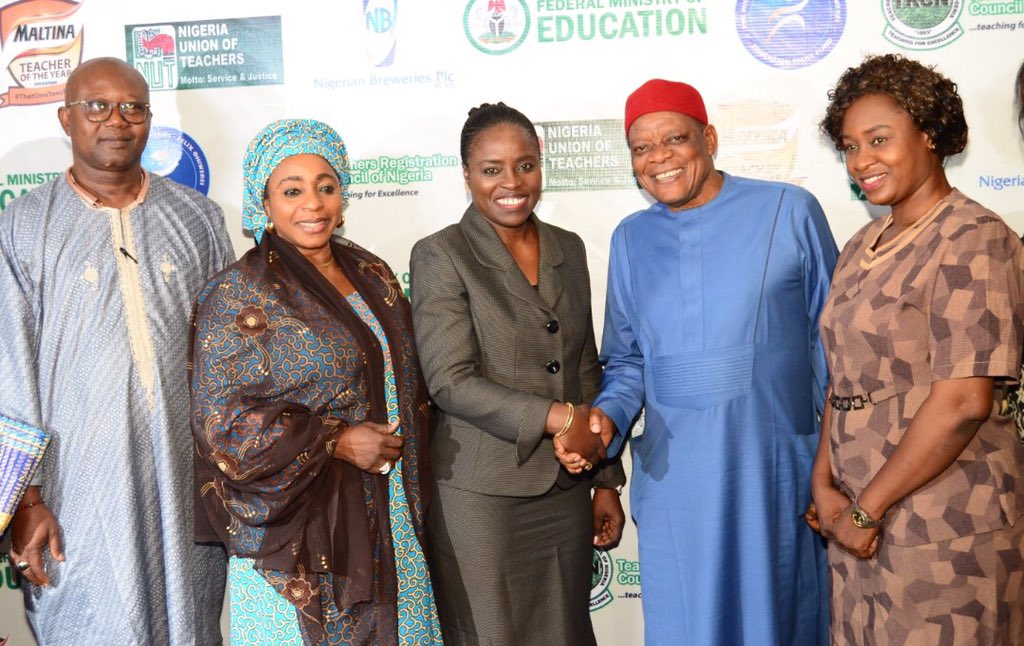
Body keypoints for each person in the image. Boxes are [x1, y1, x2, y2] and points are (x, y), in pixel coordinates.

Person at [588, 79, 837, 645]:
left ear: (710, 138)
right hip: (677, 484)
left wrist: (832, 467)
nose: (659, 158)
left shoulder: (788, 210)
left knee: (780, 620)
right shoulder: (629, 240)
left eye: (674, 138)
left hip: (773, 470)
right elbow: (626, 363)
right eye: (642, 148)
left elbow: (838, 348)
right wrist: (604, 422)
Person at [0, 57, 232, 644]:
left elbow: (231, 358)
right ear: (65, 118)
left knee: (189, 620)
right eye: (97, 106)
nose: (117, 120)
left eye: (133, 107)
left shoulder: (199, 220)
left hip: (185, 479)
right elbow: (9, 364)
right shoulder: (22, 226)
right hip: (72, 485)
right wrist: (25, 497)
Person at [190, 119, 442, 645]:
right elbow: (222, 424)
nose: (313, 203)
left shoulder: (373, 272)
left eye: (326, 187)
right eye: (292, 190)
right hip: (296, 534)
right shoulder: (237, 293)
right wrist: (335, 441)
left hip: (393, 513)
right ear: (263, 201)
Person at [808, 53, 1024, 643]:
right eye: (850, 146)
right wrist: (823, 483)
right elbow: (842, 377)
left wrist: (865, 509)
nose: (862, 161)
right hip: (860, 515)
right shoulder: (861, 243)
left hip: (944, 516)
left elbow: (963, 401)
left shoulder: (974, 238)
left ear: (930, 135)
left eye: (879, 139)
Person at [409, 102, 626, 646]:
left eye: (525, 165)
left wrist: (604, 481)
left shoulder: (568, 248)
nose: (512, 182)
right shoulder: (441, 254)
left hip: (564, 486)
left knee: (567, 633)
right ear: (466, 175)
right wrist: (560, 418)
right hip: (483, 495)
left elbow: (581, 365)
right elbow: (450, 380)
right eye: (492, 169)